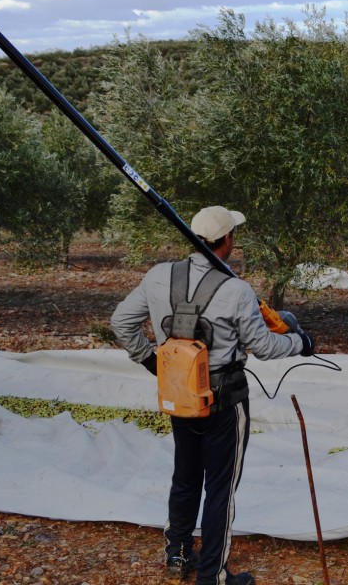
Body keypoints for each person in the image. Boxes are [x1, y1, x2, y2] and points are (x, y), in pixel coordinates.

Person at [111, 206, 314, 585]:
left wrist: (152, 362)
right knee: (220, 488)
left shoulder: (158, 277)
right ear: (227, 242)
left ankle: (179, 554)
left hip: (179, 396)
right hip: (225, 401)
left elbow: (120, 321)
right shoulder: (236, 290)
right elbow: (265, 346)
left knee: (185, 477)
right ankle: (213, 576)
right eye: (234, 234)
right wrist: (300, 342)